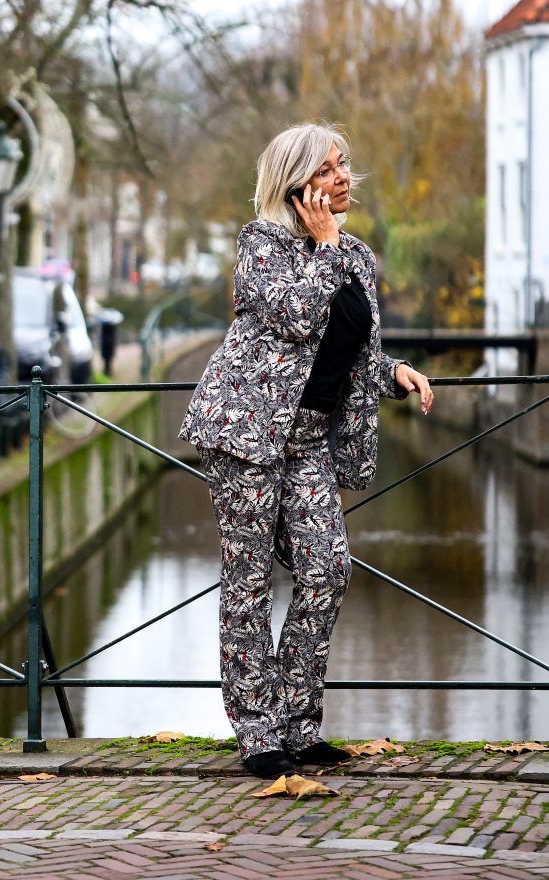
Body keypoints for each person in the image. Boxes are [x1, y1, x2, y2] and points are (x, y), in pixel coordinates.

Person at [179, 122, 433, 780]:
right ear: (296, 186)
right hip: (245, 434)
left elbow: (351, 349)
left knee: (326, 569)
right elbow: (293, 320)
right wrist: (321, 249)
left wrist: (394, 373)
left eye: (344, 165)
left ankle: (299, 722)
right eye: (327, 170)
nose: (344, 178)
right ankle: (258, 733)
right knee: (248, 587)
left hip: (309, 440)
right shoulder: (260, 245)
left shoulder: (356, 254)